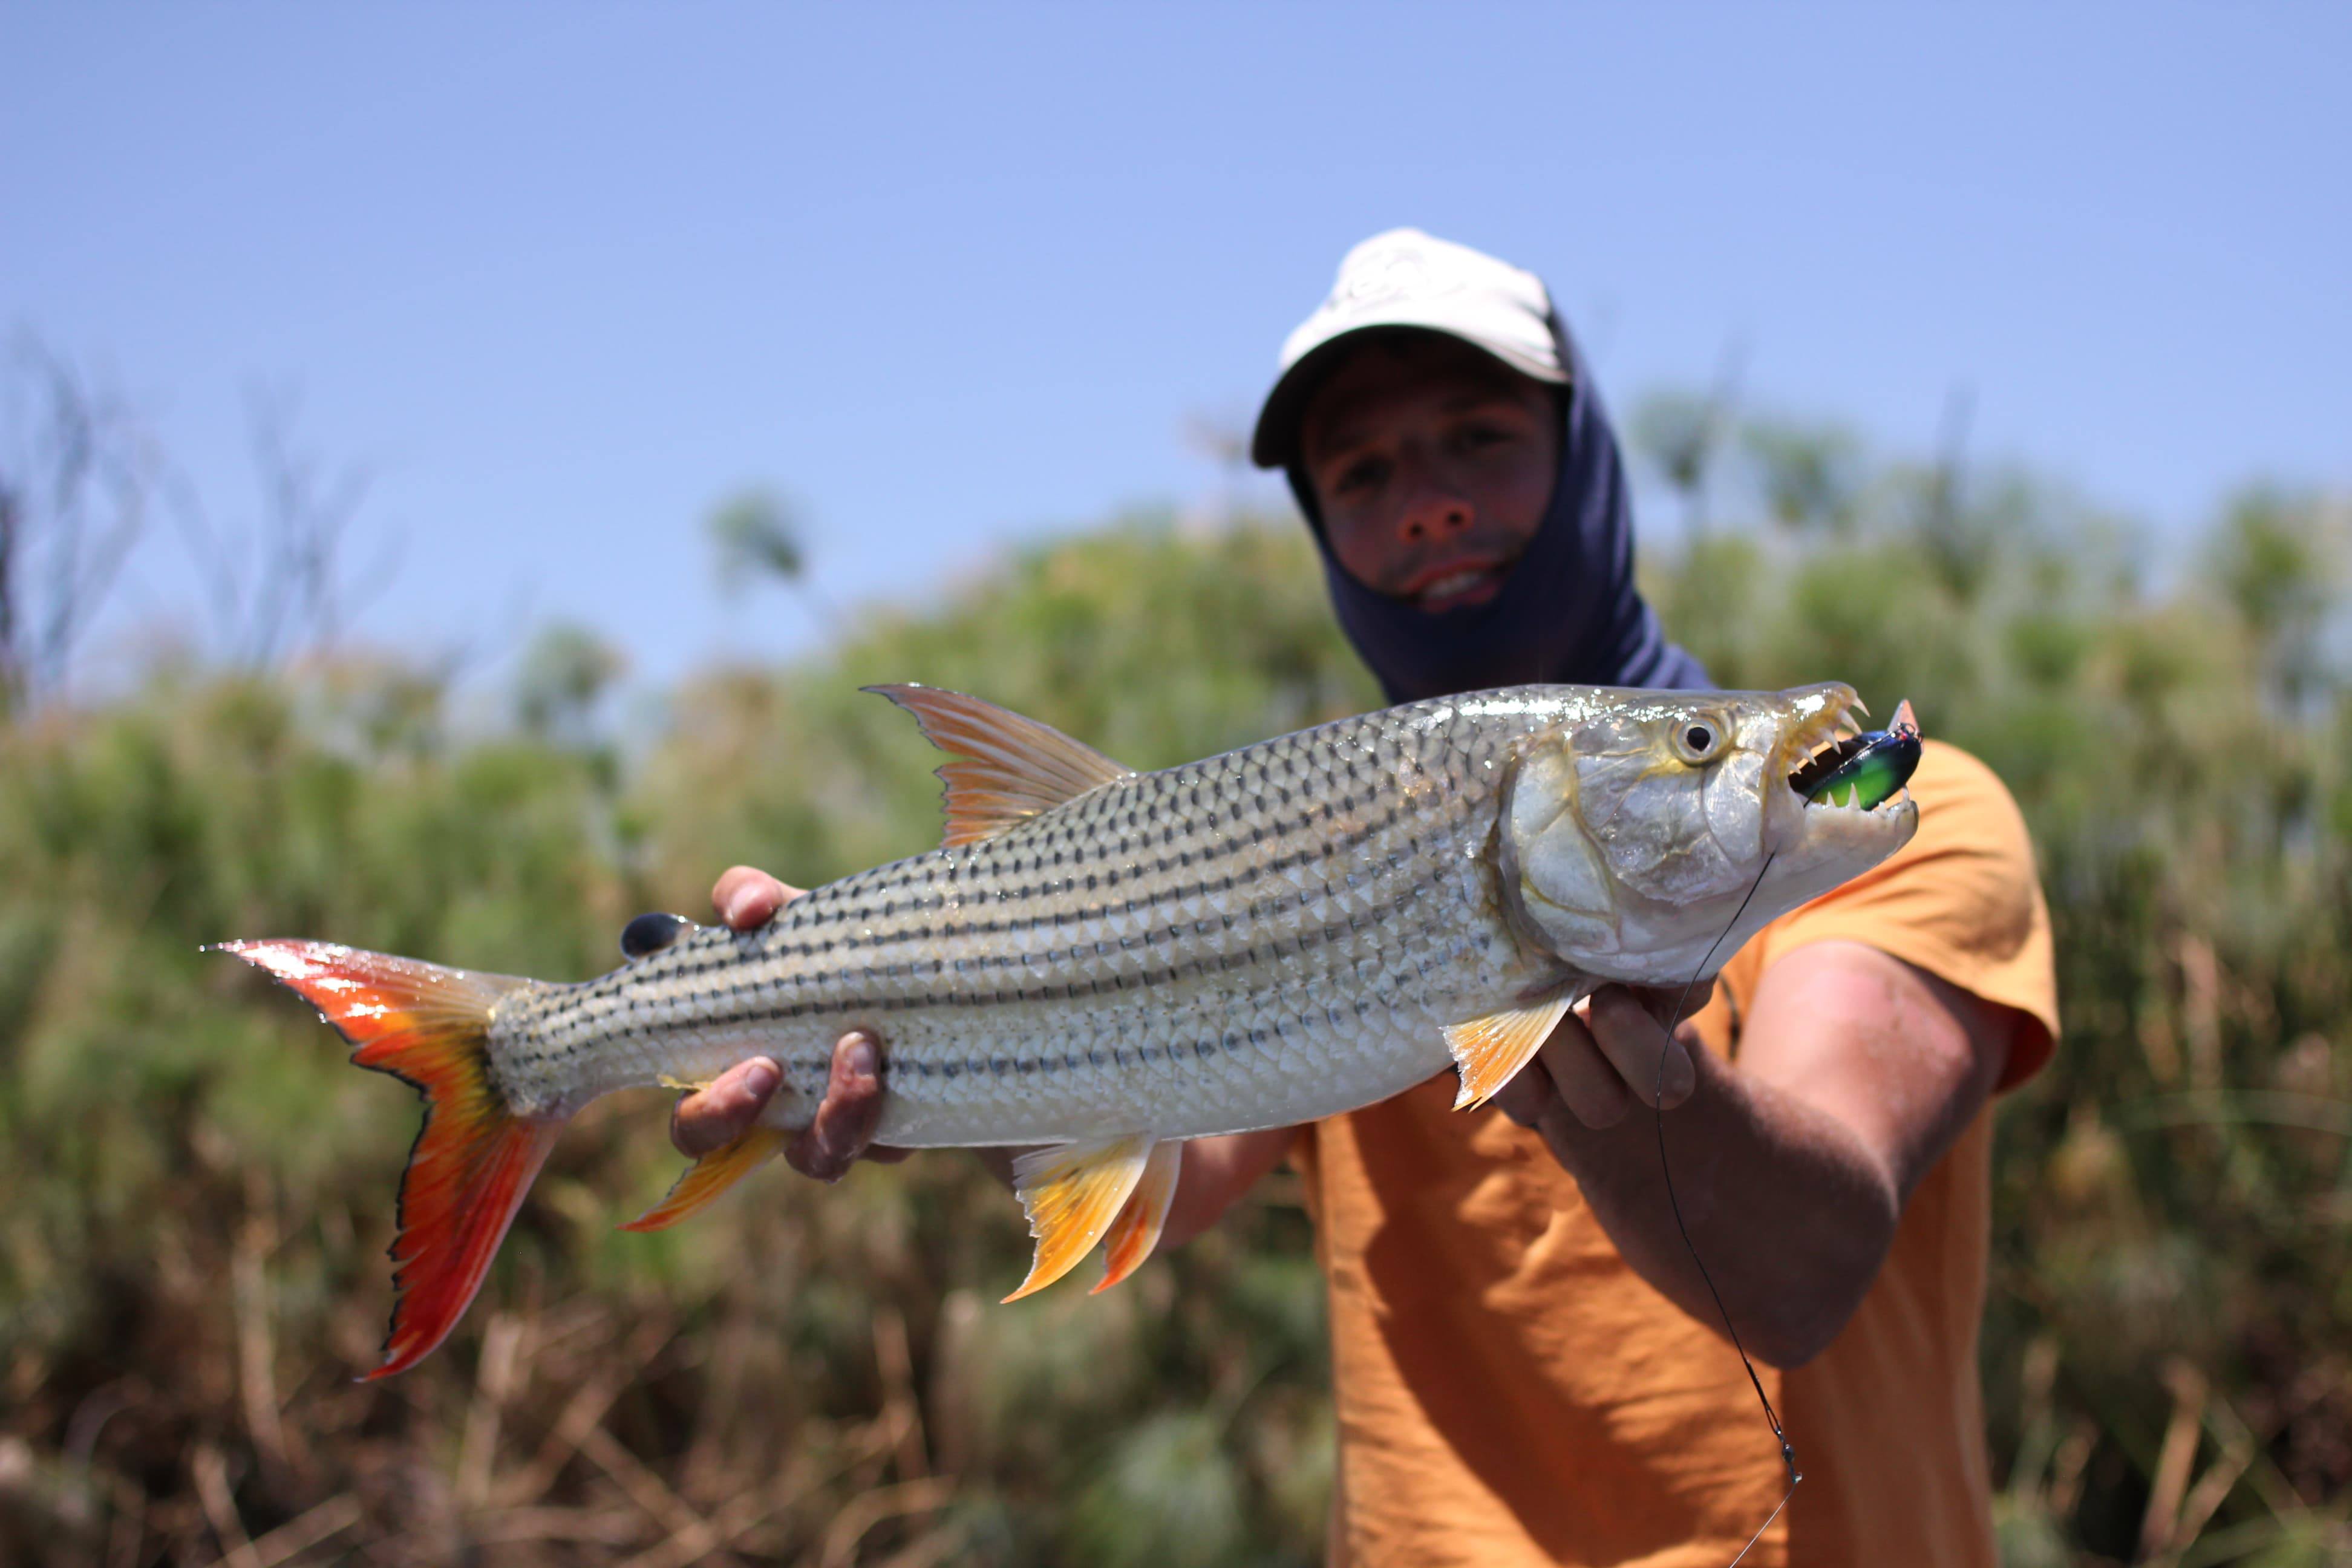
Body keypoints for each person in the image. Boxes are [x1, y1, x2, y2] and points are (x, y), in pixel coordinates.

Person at [674, 230, 2058, 1567]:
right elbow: (1174, 1170)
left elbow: (1801, 1274)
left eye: (1480, 437)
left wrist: (1645, 1110)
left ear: (1585, 464)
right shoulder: (1315, 835)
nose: (1431, 501)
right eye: (1365, 468)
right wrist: (913, 1055)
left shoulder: (1909, 831)